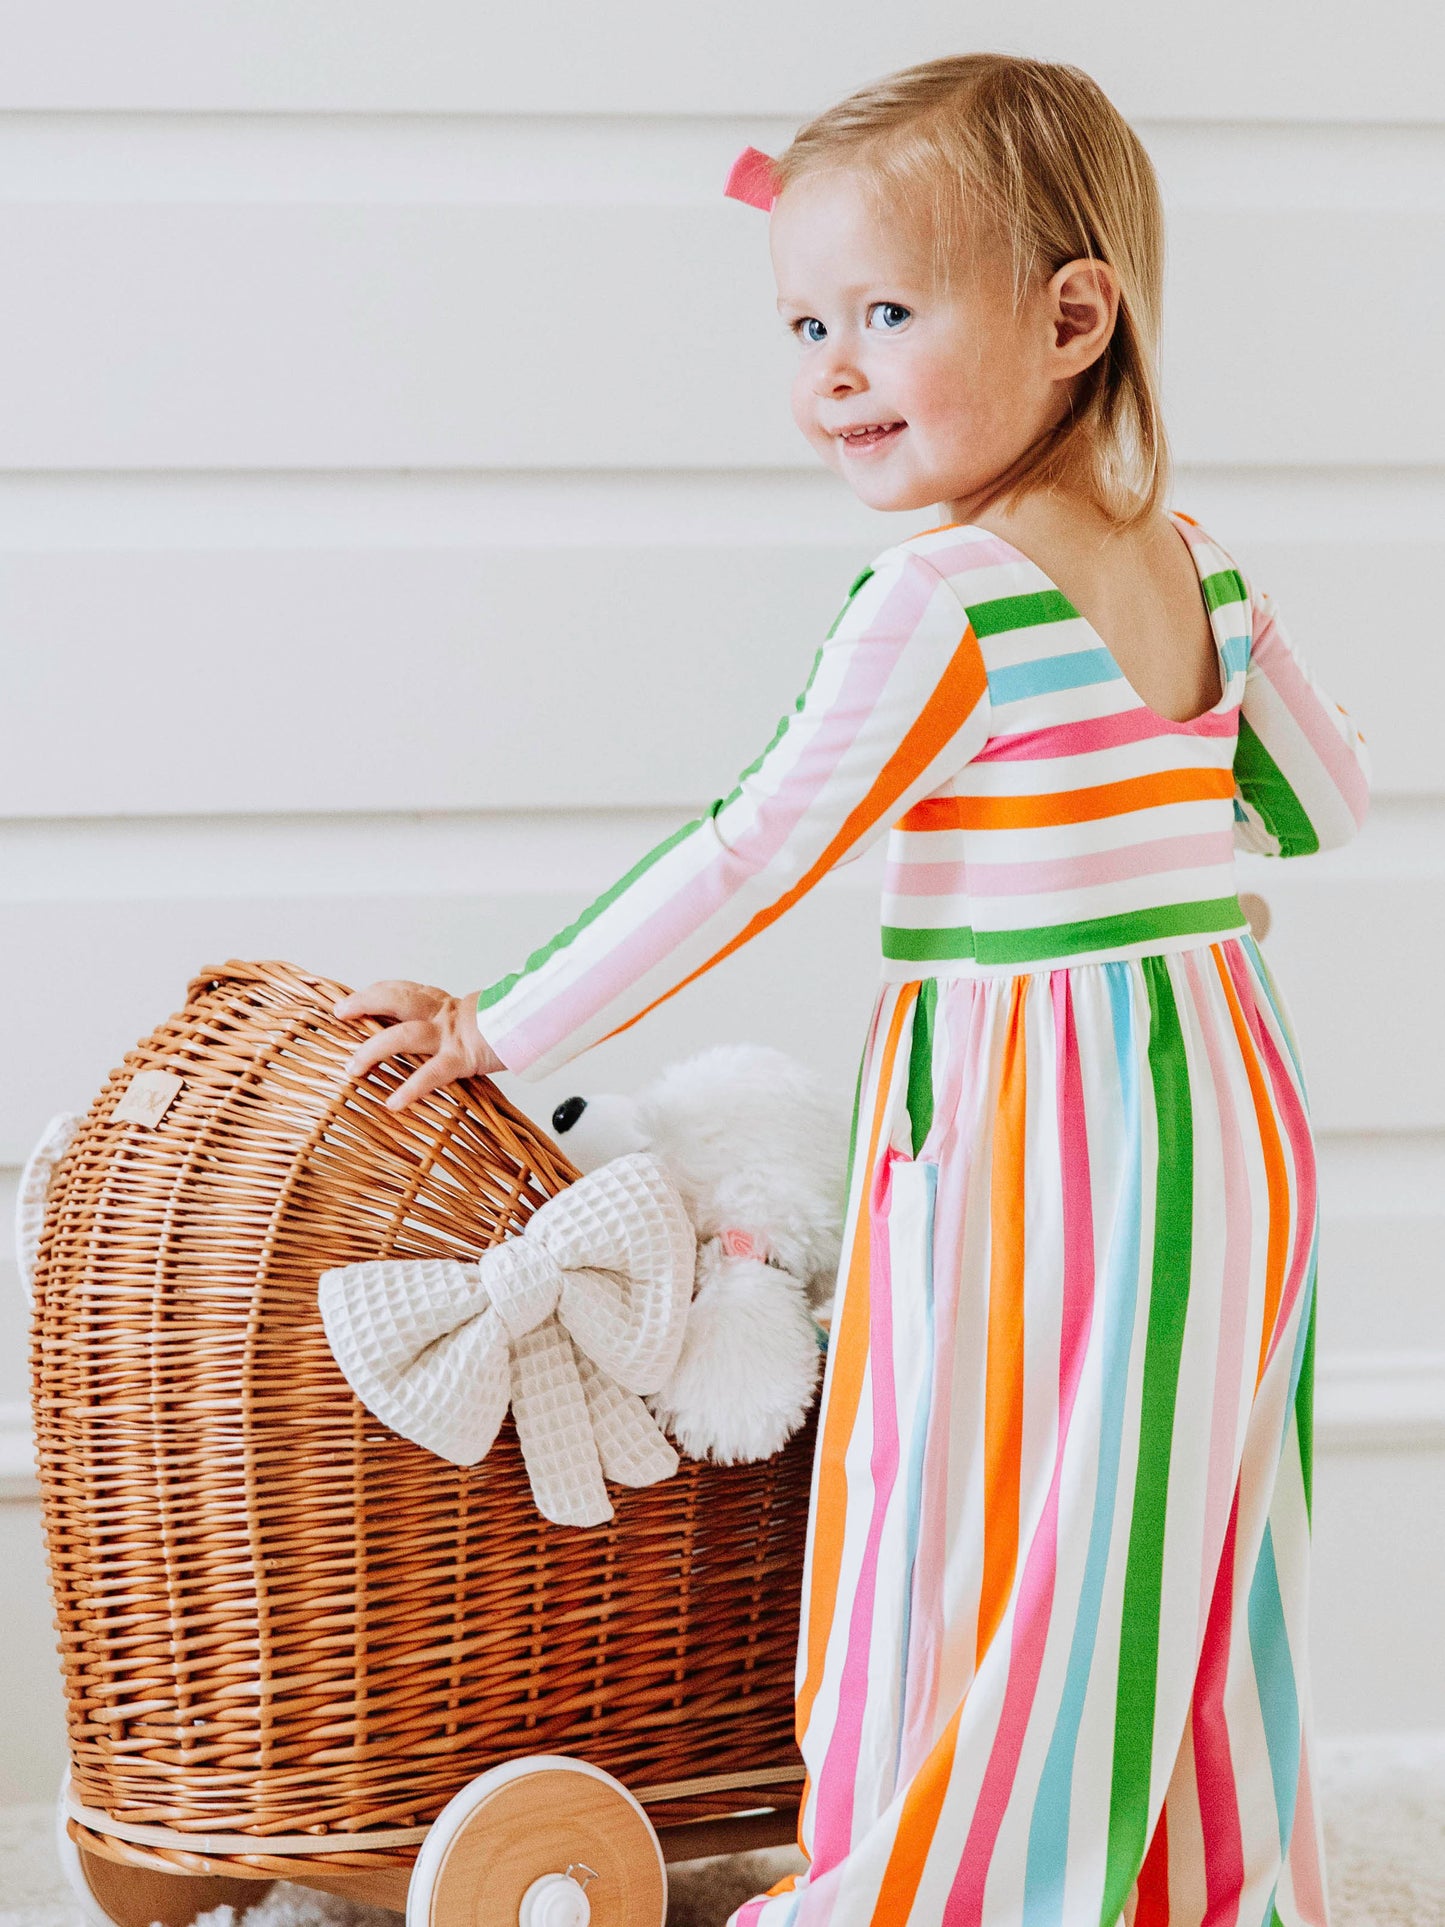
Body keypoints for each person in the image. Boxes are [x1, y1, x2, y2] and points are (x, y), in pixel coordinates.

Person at [335, 53, 1368, 1927]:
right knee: (1166, 1510)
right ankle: (1179, 1879)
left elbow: (750, 851)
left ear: (1072, 318)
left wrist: (500, 1027)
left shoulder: (948, 599)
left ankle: (951, 1877)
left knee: (964, 1513)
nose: (828, 370)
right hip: (1227, 1105)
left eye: (886, 314)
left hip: (1031, 1124)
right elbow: (1317, 803)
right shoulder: (1198, 566)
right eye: (804, 320)